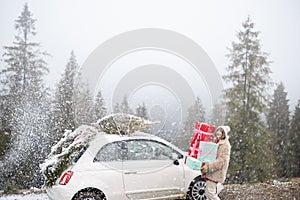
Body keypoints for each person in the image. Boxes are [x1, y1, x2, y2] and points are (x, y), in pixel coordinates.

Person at [200, 126, 231, 200]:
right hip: (212, 171)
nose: (218, 133)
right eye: (217, 131)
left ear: (224, 134)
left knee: (210, 194)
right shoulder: (217, 143)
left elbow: (221, 161)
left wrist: (208, 166)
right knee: (208, 194)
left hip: (216, 172)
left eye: (220, 131)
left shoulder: (225, 145)